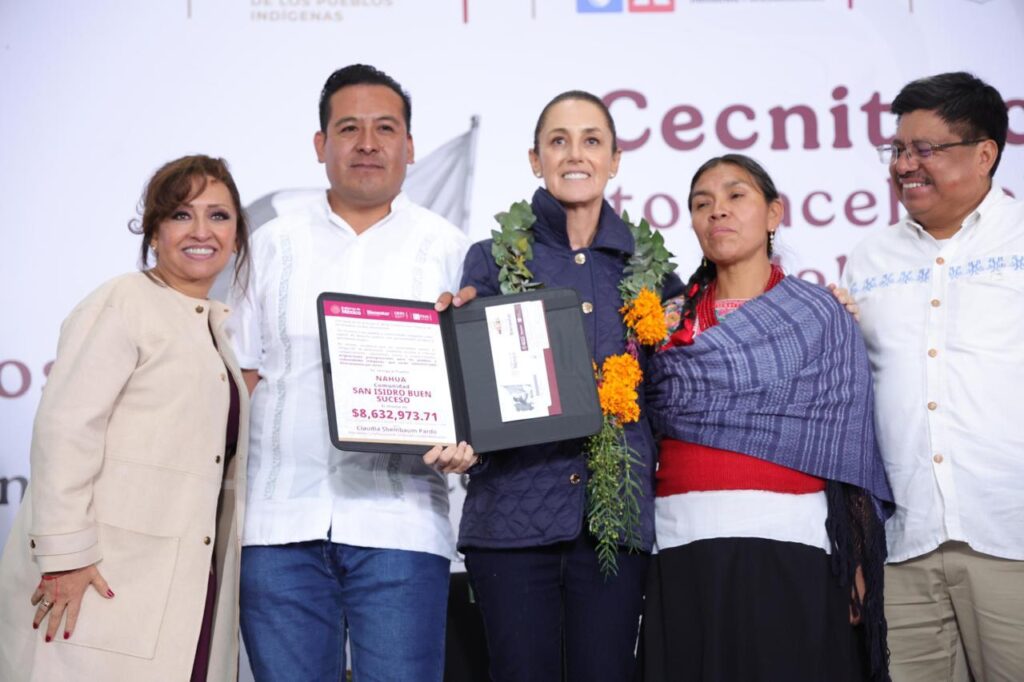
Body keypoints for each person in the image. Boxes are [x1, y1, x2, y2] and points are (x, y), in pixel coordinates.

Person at [226, 64, 475, 682]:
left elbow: (471, 386)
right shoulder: (269, 246)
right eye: (348, 128)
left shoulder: (452, 251)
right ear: (320, 144)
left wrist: (468, 438)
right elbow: (238, 379)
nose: (367, 143)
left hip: (401, 526)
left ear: (409, 145)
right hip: (278, 525)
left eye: (385, 128)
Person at [444, 90, 683, 682]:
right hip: (510, 521)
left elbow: (676, 388)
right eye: (558, 141)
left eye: (591, 141)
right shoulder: (492, 261)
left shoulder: (652, 272)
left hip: (614, 526)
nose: (575, 154)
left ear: (614, 160)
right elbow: (475, 386)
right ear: (536, 160)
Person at [640, 154, 894, 681]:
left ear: (774, 213)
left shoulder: (820, 313)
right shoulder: (662, 323)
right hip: (682, 543)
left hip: (790, 544)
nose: (718, 211)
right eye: (702, 204)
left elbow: (845, 442)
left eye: (736, 196)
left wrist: (857, 556)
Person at [0, 154, 251, 681]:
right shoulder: (123, 301)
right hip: (99, 581)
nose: (201, 231)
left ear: (236, 236)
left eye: (218, 216)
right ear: (154, 231)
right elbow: (65, 432)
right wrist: (65, 557)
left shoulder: (213, 329)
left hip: (176, 587)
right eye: (181, 214)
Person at [843, 72, 1024, 682]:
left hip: (1011, 537)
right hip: (905, 546)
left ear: (984, 154)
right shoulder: (869, 259)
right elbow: (856, 406)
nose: (904, 165)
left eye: (925, 149)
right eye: (897, 149)